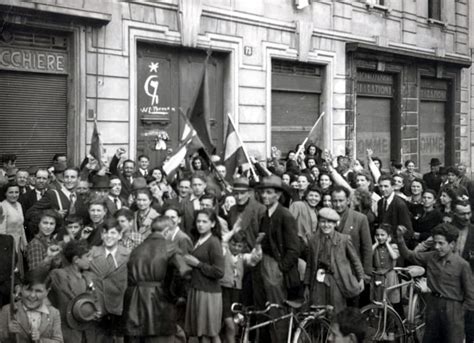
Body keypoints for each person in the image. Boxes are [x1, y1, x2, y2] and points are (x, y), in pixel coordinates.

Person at [396, 223, 474, 343]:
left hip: (453, 309)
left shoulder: (462, 265)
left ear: (452, 244)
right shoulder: (431, 257)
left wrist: (459, 313)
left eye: (441, 243)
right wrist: (400, 239)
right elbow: (409, 255)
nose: (437, 247)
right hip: (432, 306)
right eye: (435, 243)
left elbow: (471, 297)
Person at [122, 216, 190, 342]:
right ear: (166, 231)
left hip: (133, 303)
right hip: (159, 303)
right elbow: (184, 273)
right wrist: (176, 296)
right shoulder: (170, 248)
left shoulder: (137, 249)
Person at [254, 175, 300, 343]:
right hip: (262, 270)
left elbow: (294, 249)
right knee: (264, 314)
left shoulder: (285, 215)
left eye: (269, 193)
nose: (265, 196)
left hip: (276, 274)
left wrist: (280, 269)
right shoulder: (265, 215)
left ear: (278, 195)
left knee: (278, 315)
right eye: (263, 193)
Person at [303, 208, 364, 313]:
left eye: (330, 222)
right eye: (323, 222)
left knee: (337, 311)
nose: (326, 225)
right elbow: (310, 264)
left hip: (337, 281)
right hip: (319, 282)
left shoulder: (344, 239)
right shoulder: (313, 240)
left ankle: (336, 329)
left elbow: (355, 260)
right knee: (318, 311)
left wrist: (361, 278)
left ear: (335, 224)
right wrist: (307, 285)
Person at [184, 209, 225, 343]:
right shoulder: (198, 239)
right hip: (197, 288)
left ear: (213, 224)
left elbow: (219, 272)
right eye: (198, 221)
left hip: (208, 292)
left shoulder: (213, 242)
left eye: (204, 222)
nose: (200, 225)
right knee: (201, 332)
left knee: (210, 332)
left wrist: (198, 264)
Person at [48, 240, 99, 343]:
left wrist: (96, 310)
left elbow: (95, 300)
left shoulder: (89, 277)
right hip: (67, 332)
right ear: (76, 259)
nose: (91, 259)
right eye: (87, 256)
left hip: (87, 331)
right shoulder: (59, 275)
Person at [89, 217, 130, 342]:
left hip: (120, 306)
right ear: (101, 235)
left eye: (113, 233)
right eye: (105, 232)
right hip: (98, 306)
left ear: (120, 235)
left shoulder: (128, 254)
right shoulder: (92, 253)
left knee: (119, 338)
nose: (108, 236)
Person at [220, 232, 262, 343]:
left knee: (234, 322)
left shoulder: (242, 258)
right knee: (229, 324)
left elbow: (255, 258)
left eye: (239, 246)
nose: (236, 248)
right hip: (224, 290)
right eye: (234, 245)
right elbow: (222, 242)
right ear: (229, 244)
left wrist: (257, 244)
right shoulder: (224, 253)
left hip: (236, 293)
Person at [0, 267, 63, 342]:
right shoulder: (7, 310)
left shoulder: (54, 313)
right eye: (28, 290)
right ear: (21, 288)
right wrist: (7, 332)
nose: (32, 295)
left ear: (47, 292)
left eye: (38, 291)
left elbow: (58, 341)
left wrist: (40, 340)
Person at [331, 186, 372, 280]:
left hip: (353, 271)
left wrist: (366, 272)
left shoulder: (360, 218)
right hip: (333, 271)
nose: (338, 204)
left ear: (348, 201)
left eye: (341, 201)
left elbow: (367, 247)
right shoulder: (326, 218)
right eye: (335, 201)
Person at [371, 224, 400, 308]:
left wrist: (387, 244)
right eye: (377, 235)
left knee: (390, 301)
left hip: (389, 276)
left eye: (383, 235)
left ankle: (390, 319)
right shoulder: (375, 247)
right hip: (377, 276)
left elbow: (394, 256)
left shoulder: (393, 246)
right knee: (378, 300)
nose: (380, 237)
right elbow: (368, 256)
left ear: (389, 236)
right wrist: (376, 244)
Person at [377, 175, 413, 240]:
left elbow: (407, 230)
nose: (383, 189)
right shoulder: (380, 202)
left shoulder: (400, 204)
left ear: (393, 187)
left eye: (386, 186)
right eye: (380, 186)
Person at [0, 183, 27, 256]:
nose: (14, 195)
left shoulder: (19, 204)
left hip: (19, 245)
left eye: (16, 192)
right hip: (7, 247)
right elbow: (1, 230)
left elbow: (21, 226)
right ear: (5, 193)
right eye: (11, 192)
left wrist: (25, 244)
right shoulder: (2, 206)